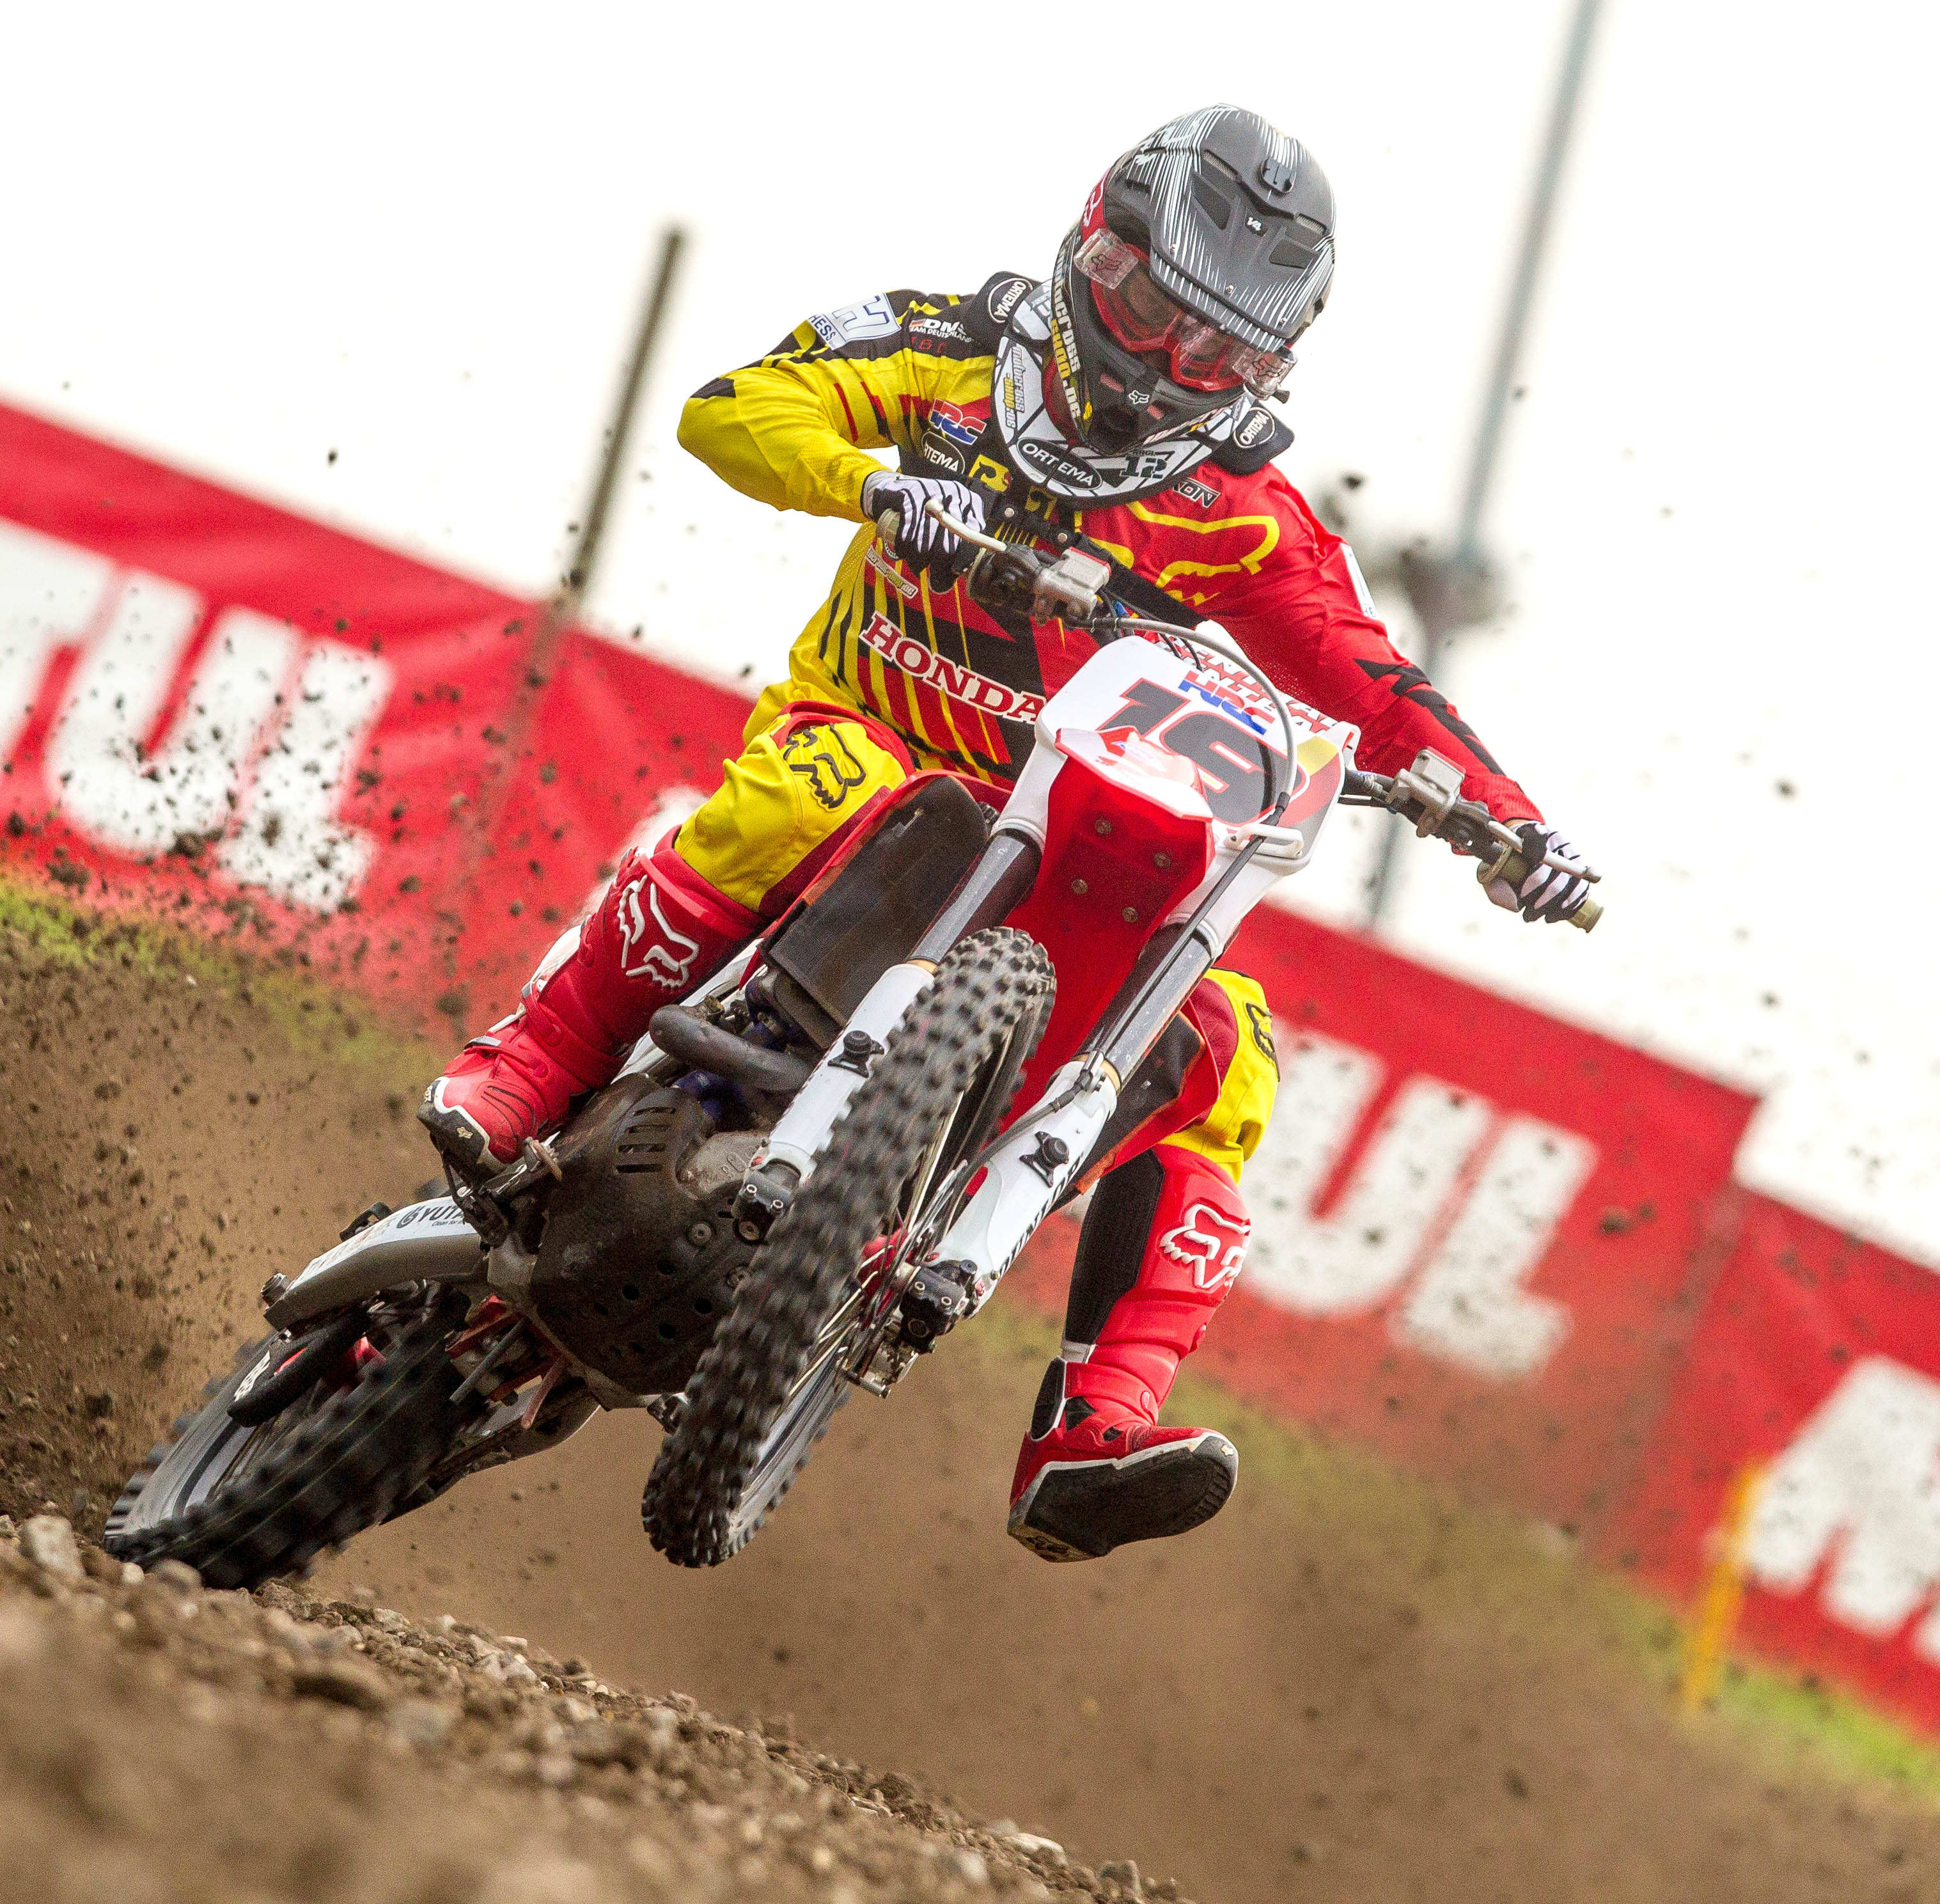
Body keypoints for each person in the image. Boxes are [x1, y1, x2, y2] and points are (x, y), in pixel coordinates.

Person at [419, 105, 1597, 1562]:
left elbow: (1370, 674)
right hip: (865, 738)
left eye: (1214, 356)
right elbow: (732, 407)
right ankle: (531, 1066)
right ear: (1092, 248)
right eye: (1149, 313)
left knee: (1230, 1056)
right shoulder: (953, 348)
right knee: (812, 789)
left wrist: (1508, 820)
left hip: (1062, 836)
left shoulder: (1243, 514)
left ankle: (1099, 1417)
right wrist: (872, 481)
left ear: (1265, 369)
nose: (1164, 366)